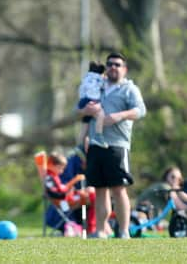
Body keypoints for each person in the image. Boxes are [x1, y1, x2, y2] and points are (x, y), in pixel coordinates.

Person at [77, 51, 146, 239]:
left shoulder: (129, 89)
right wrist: (85, 110)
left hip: (117, 145)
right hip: (95, 144)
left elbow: (140, 110)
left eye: (117, 65)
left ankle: (124, 231)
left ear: (125, 69)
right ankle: (101, 230)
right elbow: (79, 112)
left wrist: (119, 116)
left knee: (118, 188)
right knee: (99, 189)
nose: (112, 68)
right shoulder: (97, 86)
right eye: (110, 64)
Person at [43, 151, 96, 234]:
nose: (62, 171)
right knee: (91, 196)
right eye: (60, 168)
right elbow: (58, 193)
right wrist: (74, 182)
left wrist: (73, 189)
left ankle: (90, 227)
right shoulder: (50, 178)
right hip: (64, 203)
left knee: (90, 194)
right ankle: (89, 228)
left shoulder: (54, 177)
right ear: (53, 166)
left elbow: (62, 189)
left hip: (66, 200)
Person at [76, 61, 107, 148]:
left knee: (85, 125)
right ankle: (98, 136)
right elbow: (104, 86)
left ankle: (79, 146)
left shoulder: (86, 77)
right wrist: (104, 78)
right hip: (92, 100)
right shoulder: (98, 78)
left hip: (82, 101)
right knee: (101, 115)